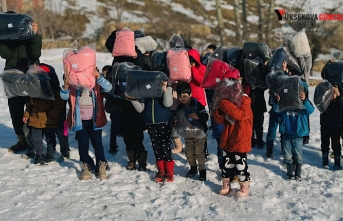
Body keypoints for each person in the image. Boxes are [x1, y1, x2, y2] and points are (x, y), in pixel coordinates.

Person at [0, 12, 42, 153]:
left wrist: (34, 35)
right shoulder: (6, 38)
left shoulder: (29, 36)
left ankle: (34, 143)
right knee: (15, 110)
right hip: (12, 77)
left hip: (30, 75)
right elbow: (5, 54)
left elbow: (35, 54)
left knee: (33, 109)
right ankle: (22, 141)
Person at [60, 67, 112, 180]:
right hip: (80, 120)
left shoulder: (96, 83)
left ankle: (101, 165)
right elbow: (63, 96)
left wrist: (99, 77)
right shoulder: (74, 84)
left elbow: (109, 88)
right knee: (83, 144)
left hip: (95, 119)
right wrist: (66, 86)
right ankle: (87, 165)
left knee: (97, 144)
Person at [131, 66, 174, 182]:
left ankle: (169, 172)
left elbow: (167, 103)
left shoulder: (168, 89)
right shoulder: (147, 90)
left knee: (165, 146)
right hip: (150, 122)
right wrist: (133, 99)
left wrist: (165, 89)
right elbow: (140, 109)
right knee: (156, 146)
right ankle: (161, 171)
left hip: (163, 121)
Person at [213, 86, 253, 197]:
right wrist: (219, 111)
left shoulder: (245, 102)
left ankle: (244, 185)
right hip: (228, 137)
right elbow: (219, 120)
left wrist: (225, 105)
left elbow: (240, 115)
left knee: (241, 166)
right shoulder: (228, 104)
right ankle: (226, 184)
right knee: (226, 164)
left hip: (240, 139)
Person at [22, 64, 64, 164]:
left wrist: (51, 115)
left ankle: (50, 154)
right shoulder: (33, 91)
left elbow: (59, 105)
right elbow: (30, 104)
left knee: (50, 138)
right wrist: (26, 115)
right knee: (35, 138)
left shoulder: (54, 91)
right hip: (35, 118)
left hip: (49, 119)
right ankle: (39, 153)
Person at [277, 80, 314, 181]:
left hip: (298, 135)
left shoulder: (302, 106)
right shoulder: (285, 105)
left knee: (298, 155)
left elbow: (310, 110)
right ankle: (290, 173)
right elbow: (277, 110)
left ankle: (298, 173)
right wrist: (278, 101)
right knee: (287, 156)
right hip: (286, 135)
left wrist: (305, 100)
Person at [176, 82, 208, 181]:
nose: (182, 98)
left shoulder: (197, 105)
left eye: (185, 95)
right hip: (187, 134)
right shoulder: (180, 107)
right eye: (180, 96)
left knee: (199, 153)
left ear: (190, 94)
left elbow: (205, 116)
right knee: (189, 153)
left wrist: (198, 117)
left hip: (199, 134)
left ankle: (202, 170)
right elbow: (177, 118)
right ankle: (193, 167)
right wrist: (176, 122)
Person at [320, 83, 343, 170]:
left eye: (334, 93)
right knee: (325, 143)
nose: (332, 95)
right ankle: (325, 161)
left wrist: (338, 94)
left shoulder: (339, 101)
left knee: (336, 145)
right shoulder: (325, 101)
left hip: (336, 126)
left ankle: (337, 163)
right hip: (325, 125)